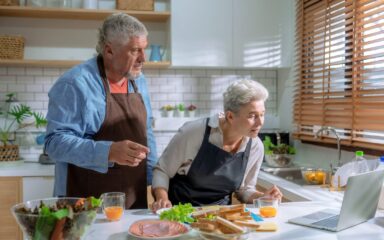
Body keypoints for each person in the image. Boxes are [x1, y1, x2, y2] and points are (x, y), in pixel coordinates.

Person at [45, 13, 157, 209]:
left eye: (144, 49)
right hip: (84, 200)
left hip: (132, 199)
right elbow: (54, 143)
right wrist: (108, 152)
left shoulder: (139, 80)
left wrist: (155, 182)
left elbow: (146, 133)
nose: (143, 58)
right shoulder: (74, 84)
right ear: (109, 50)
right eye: (135, 50)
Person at [151, 79, 282, 211]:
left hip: (221, 217)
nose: (260, 122)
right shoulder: (194, 132)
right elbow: (162, 170)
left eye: (262, 114)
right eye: (252, 116)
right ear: (230, 116)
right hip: (182, 213)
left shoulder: (255, 146)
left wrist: (262, 197)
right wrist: (162, 198)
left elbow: (244, 190)